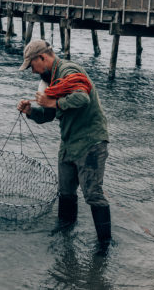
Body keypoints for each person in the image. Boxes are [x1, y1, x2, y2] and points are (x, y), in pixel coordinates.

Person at [17, 39, 111, 243]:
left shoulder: (69, 71)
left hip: (91, 142)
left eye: (32, 65)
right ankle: (65, 237)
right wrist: (31, 111)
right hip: (69, 144)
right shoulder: (50, 81)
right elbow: (48, 115)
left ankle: (104, 248)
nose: (33, 71)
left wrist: (52, 101)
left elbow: (82, 98)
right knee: (66, 193)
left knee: (93, 195)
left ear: (42, 57)